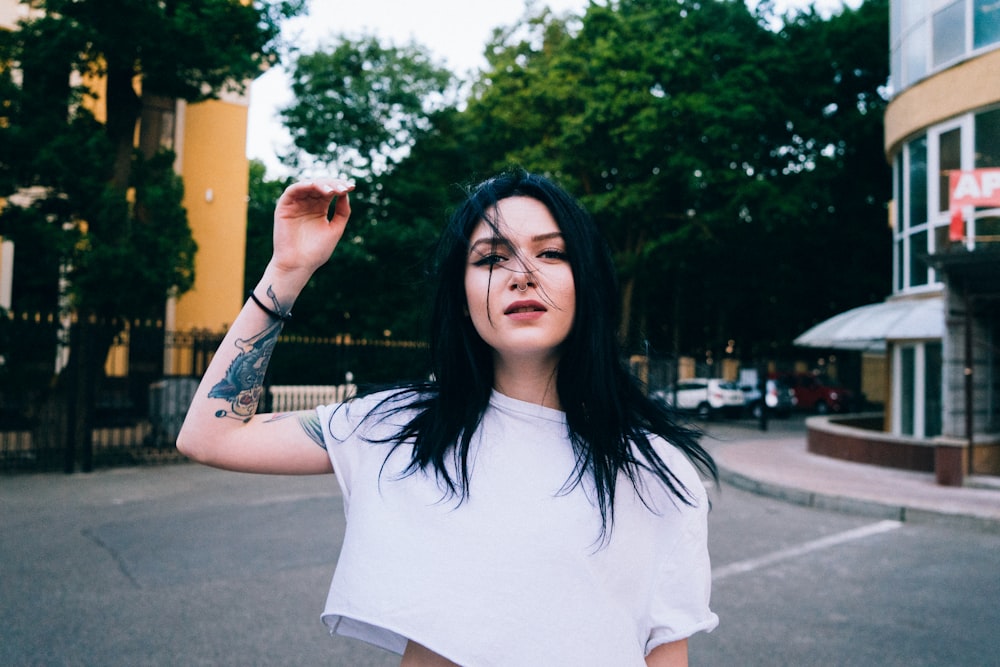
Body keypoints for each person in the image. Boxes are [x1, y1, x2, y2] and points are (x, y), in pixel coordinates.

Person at [177, 169, 718, 666]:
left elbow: (664, 654)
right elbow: (212, 436)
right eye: (489, 259)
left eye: (551, 253)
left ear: (588, 283)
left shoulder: (656, 472)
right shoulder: (400, 428)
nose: (522, 274)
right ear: (461, 298)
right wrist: (288, 270)